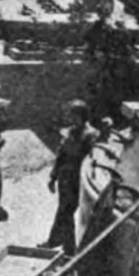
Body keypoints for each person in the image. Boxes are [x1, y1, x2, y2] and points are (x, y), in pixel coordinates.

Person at [45, 100, 99, 255]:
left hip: (77, 181)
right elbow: (61, 156)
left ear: (82, 116)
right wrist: (53, 177)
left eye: (73, 115)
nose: (70, 118)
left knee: (66, 212)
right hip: (65, 179)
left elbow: (91, 161)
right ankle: (55, 241)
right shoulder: (69, 132)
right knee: (63, 210)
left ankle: (68, 248)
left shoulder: (91, 135)